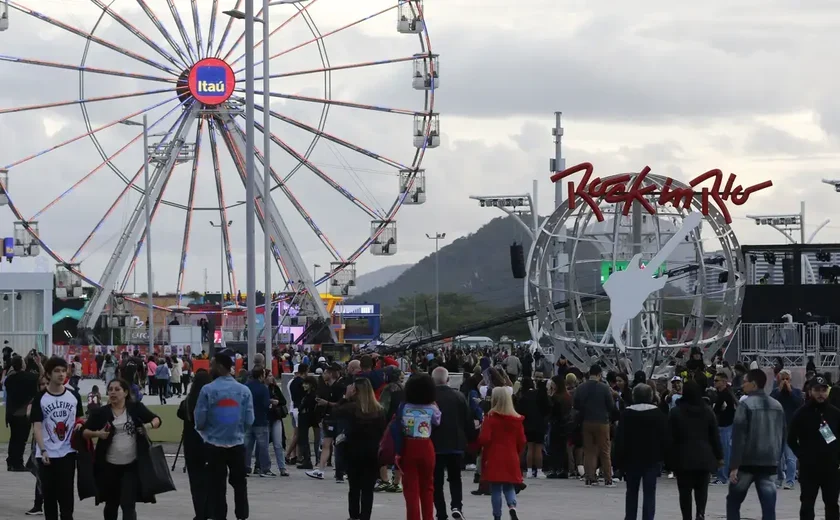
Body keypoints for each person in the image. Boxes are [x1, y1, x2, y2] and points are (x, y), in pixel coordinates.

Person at [83, 378, 162, 520]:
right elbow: (84, 432)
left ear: (125, 392)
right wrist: (98, 434)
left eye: (117, 389)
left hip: (131, 465)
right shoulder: (101, 412)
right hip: (108, 466)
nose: (113, 392)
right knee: (111, 504)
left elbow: (157, 420)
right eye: (110, 389)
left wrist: (147, 426)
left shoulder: (136, 408)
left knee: (128, 504)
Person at [194, 351, 255, 520]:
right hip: (236, 443)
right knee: (240, 484)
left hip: (214, 444)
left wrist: (207, 430)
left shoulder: (208, 390)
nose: (210, 368)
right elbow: (250, 419)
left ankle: (220, 515)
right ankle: (242, 515)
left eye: (212, 365)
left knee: (217, 486)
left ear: (220, 367)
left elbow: (199, 419)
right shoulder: (244, 390)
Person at [726, 368, 785, 520]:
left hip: (747, 462)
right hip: (769, 462)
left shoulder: (745, 405)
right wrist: (778, 460)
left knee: (733, 502)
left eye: (745, 382)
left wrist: (734, 466)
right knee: (768, 507)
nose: (742, 385)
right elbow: (782, 435)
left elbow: (739, 436)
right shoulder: (777, 405)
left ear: (753, 384)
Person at [30, 357, 85, 520]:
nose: (61, 374)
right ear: (48, 374)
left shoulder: (74, 396)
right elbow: (37, 427)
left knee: (67, 496)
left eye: (63, 370)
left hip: (68, 452)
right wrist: (43, 450)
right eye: (57, 371)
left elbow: (80, 419)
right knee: (49, 497)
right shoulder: (40, 398)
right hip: (46, 455)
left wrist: (81, 426)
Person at [333, 377, 387, 520]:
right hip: (372, 453)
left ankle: (354, 515)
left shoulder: (351, 408)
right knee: (368, 490)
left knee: (354, 488)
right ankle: (365, 516)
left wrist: (345, 397)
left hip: (353, 452)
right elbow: (383, 432)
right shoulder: (379, 411)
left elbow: (336, 412)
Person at [668, 380, 722, 520]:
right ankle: (700, 513)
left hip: (683, 458)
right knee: (702, 490)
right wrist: (719, 456)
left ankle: (687, 517)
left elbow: (670, 437)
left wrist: (668, 460)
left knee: (684, 492)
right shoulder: (707, 412)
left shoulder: (676, 412)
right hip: (704, 457)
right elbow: (715, 436)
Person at [788, 376, 840, 520]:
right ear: (810, 391)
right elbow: (791, 440)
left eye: (824, 390)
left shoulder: (835, 413)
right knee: (807, 505)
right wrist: (802, 455)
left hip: (831, 468)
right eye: (817, 390)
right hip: (809, 469)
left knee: (832, 505)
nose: (821, 394)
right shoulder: (800, 414)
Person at [615, 383, 669, 520]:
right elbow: (665, 438)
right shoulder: (658, 414)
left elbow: (620, 439)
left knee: (631, 492)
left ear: (634, 396)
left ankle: (630, 517)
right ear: (651, 396)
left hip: (631, 459)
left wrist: (618, 462)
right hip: (652, 459)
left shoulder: (626, 414)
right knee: (650, 492)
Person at [430, 367, 475, 520]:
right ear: (448, 380)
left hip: (435, 445)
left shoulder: (429, 398)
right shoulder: (459, 396)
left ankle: (441, 513)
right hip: (456, 443)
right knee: (455, 478)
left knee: (437, 482)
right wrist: (470, 440)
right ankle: (457, 506)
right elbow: (468, 421)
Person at [398, 373, 441, 520]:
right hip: (426, 445)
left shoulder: (404, 407)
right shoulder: (432, 408)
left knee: (411, 490)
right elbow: (437, 421)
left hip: (408, 446)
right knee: (428, 487)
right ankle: (428, 517)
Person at [478, 386, 525, 520]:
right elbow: (522, 440)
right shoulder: (517, 419)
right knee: (509, 486)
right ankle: (512, 506)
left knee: (496, 489)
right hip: (511, 455)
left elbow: (484, 439)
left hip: (494, 456)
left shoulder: (490, 418)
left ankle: (497, 516)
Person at [178, 369, 213, 520]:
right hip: (209, 444)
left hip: (191, 446)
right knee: (210, 480)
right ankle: (209, 510)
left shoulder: (187, 402)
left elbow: (179, 414)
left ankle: (199, 513)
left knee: (195, 481)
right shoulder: (211, 400)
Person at [573, 364, 615, 486]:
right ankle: (608, 478)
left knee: (589, 451)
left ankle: (590, 478)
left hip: (586, 421)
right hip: (602, 422)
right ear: (599, 374)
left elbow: (576, 405)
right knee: (605, 451)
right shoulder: (604, 388)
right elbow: (611, 406)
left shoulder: (580, 388)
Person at [769, 368, 803, 489]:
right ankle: (779, 479)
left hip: (791, 428)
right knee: (777, 457)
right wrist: (779, 390)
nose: (785, 381)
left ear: (790, 380)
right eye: (782, 379)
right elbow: (770, 404)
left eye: (787, 379)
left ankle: (790, 481)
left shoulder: (797, 392)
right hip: (777, 428)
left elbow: (799, 404)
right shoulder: (775, 392)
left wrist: (790, 391)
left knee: (790, 457)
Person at [5, 354, 39, 472]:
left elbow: (10, 375)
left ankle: (11, 462)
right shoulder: (30, 377)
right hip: (23, 412)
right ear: (23, 365)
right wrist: (39, 363)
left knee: (13, 438)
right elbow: (42, 376)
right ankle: (18, 463)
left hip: (11, 413)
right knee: (21, 440)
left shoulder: (9, 379)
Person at [515, 377, 550, 479]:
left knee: (530, 448)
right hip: (539, 425)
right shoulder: (539, 395)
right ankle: (539, 470)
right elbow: (547, 409)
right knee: (538, 448)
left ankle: (529, 471)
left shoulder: (523, 397)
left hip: (527, 425)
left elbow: (519, 411)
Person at [245, 367, 274, 478]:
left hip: (248, 420)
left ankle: (246, 467)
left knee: (247, 446)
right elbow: (266, 404)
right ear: (261, 376)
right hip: (261, 420)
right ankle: (264, 468)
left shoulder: (246, 386)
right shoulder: (263, 388)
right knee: (263, 446)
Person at [712, 371, 737, 485]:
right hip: (723, 425)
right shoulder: (722, 393)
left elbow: (723, 409)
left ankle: (723, 477)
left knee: (725, 451)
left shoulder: (725, 394)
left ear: (723, 382)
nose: (714, 382)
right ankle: (721, 475)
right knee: (724, 451)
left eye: (717, 380)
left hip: (725, 425)